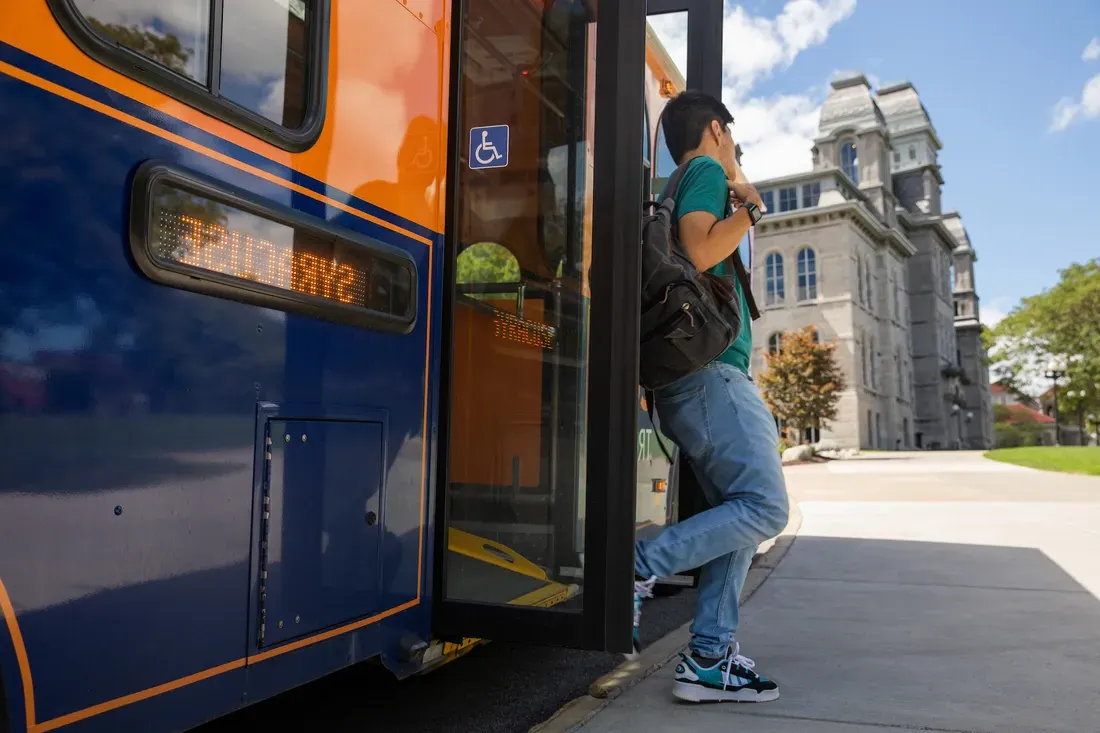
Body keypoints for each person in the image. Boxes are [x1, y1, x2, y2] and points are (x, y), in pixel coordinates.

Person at [632, 90, 789, 703]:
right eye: (734, 140)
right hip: (711, 374)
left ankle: (708, 658)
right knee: (765, 507)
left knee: (739, 517)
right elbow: (700, 247)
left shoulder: (685, 175)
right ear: (718, 130)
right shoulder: (699, 171)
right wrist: (747, 202)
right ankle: (639, 565)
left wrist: (740, 181)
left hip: (698, 378)